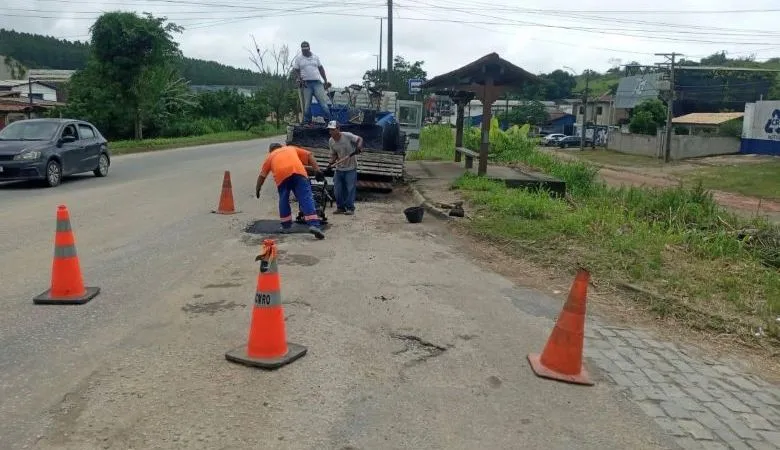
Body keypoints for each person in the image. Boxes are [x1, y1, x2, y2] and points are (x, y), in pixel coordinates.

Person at [255, 143, 325, 239]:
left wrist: (258, 188)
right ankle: (314, 225)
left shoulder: (270, 157)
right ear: (281, 146)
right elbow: (309, 155)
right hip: (298, 172)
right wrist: (317, 170)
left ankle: (286, 226)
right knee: (306, 198)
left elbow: (262, 176)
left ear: (270, 151)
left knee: (284, 199)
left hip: (282, 176)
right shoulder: (290, 148)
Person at [327, 120, 363, 215]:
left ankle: (350, 208)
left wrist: (359, 147)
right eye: (329, 130)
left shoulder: (347, 136)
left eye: (333, 130)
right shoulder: (331, 141)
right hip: (339, 168)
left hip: (351, 168)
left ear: (338, 129)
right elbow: (334, 154)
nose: (331, 132)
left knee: (350, 189)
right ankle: (340, 207)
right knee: (337, 190)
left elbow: (360, 139)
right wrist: (330, 163)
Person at [292, 41, 332, 126]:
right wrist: (299, 78)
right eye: (303, 50)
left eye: (306, 50)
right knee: (307, 106)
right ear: (301, 49)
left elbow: (321, 68)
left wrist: (325, 80)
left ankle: (329, 121)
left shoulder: (315, 57)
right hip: (306, 84)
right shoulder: (299, 59)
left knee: (323, 103)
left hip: (317, 83)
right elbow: (295, 69)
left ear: (309, 48)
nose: (304, 51)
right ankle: (307, 122)